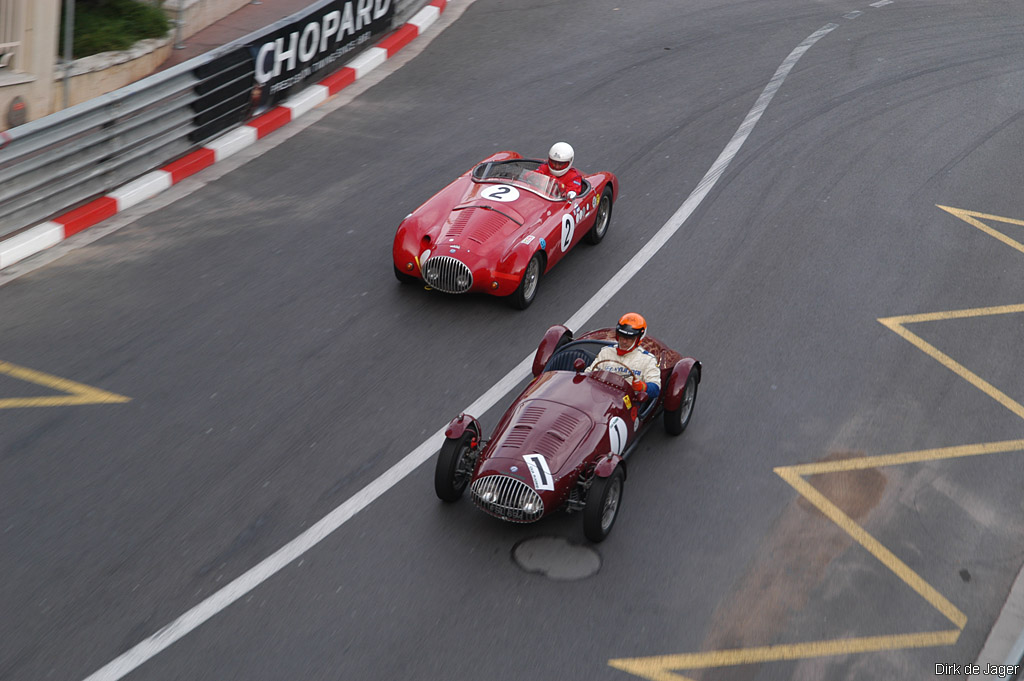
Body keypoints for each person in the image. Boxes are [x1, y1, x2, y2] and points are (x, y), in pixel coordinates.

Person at [587, 313, 661, 401]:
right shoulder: (606, 352)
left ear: (638, 339)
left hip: (629, 403)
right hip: (600, 397)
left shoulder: (648, 360)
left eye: (629, 338)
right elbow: (588, 374)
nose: (624, 341)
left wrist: (642, 386)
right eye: (622, 337)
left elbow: (656, 389)